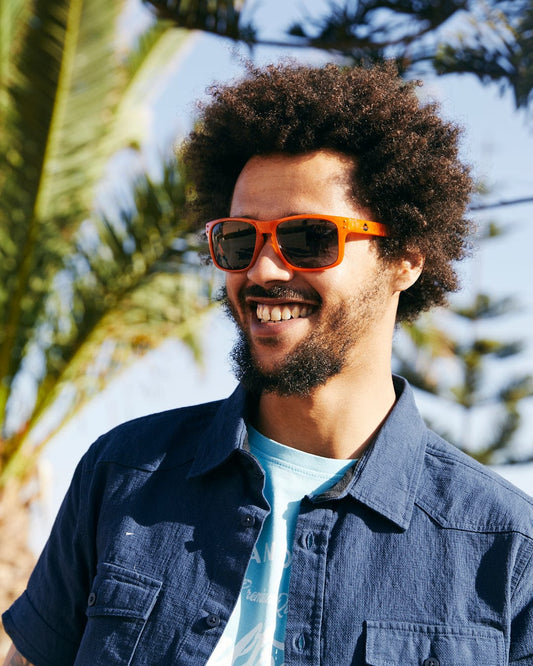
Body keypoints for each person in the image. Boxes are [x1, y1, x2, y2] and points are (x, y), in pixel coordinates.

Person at [2, 62, 532, 666]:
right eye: (238, 239)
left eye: (308, 238)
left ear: (405, 258)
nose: (262, 270)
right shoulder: (123, 474)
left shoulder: (506, 550)